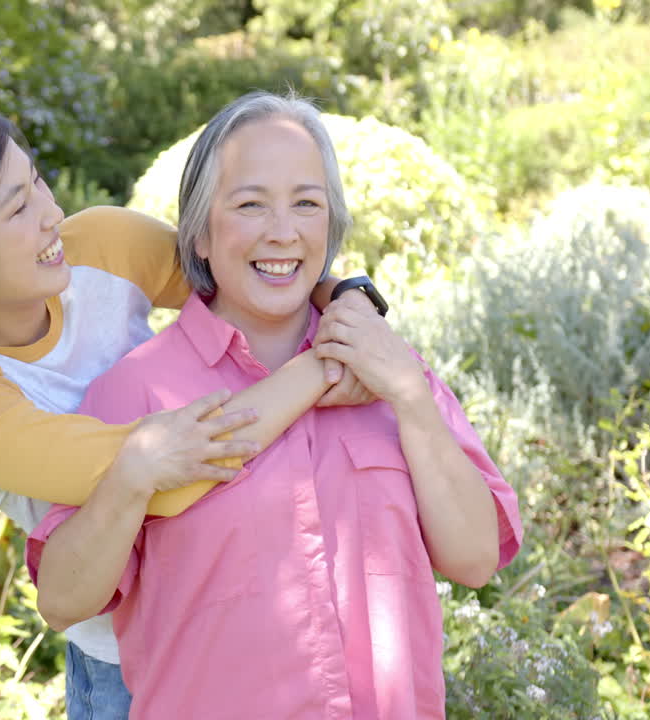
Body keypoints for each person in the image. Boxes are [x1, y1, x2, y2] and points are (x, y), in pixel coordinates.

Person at [0, 105, 384, 719]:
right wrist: (325, 366)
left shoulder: (102, 243)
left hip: (235, 614)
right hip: (125, 661)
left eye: (38, 183)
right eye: (17, 207)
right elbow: (177, 465)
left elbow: (250, 271)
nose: (52, 214)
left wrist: (346, 297)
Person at [29, 91, 524, 719]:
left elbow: (476, 559)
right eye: (250, 204)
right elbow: (64, 600)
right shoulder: (137, 393)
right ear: (201, 233)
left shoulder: (392, 370)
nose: (283, 231)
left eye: (307, 204)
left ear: (331, 225)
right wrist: (133, 476)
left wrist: (409, 394)